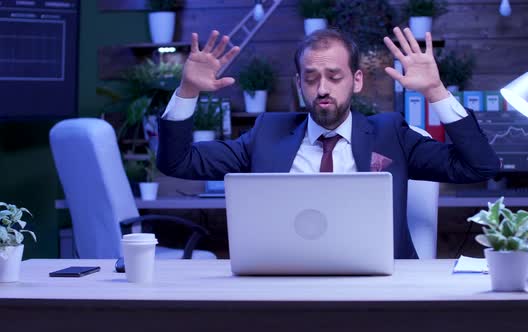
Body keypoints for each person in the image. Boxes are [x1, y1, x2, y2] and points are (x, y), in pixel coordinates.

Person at [157, 27, 500, 259]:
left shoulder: (390, 133)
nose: (322, 88)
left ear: (357, 80)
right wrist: (188, 91)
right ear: (298, 84)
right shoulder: (267, 134)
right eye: (311, 78)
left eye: (334, 77)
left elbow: (479, 165)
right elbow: (178, 162)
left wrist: (435, 92)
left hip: (382, 288)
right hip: (287, 283)